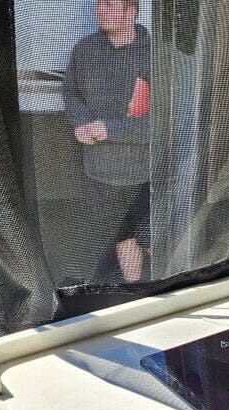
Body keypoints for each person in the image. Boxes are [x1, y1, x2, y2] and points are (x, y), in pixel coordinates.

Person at [62, 0, 151, 283]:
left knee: (146, 240)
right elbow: (72, 93)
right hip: (99, 172)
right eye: (100, 4)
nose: (101, 10)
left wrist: (109, 129)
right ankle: (134, 291)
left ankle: (150, 293)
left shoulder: (154, 55)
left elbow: (163, 123)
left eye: (110, 4)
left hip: (142, 174)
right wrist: (81, 123)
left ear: (131, 10)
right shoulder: (85, 49)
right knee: (120, 239)